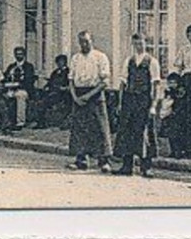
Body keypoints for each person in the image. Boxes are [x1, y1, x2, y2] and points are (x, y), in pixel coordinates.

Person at [113, 33, 163, 176]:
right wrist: (120, 103)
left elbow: (156, 85)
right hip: (129, 100)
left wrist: (153, 105)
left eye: (141, 43)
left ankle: (146, 167)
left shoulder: (152, 62)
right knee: (126, 131)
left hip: (144, 100)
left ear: (146, 43)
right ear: (133, 45)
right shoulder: (128, 61)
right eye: (136, 44)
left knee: (144, 132)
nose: (139, 46)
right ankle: (126, 166)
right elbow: (123, 83)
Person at [67, 31, 112, 171]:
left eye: (86, 41)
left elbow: (105, 82)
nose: (84, 45)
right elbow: (71, 79)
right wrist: (75, 97)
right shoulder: (75, 58)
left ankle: (103, 161)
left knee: (99, 127)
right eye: (81, 42)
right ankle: (81, 159)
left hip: (95, 94)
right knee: (80, 127)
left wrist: (89, 95)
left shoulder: (100, 57)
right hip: (79, 93)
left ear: (91, 40)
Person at [1, 46, 37, 129]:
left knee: (20, 95)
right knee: (4, 96)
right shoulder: (11, 66)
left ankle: (20, 121)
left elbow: (28, 81)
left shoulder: (28, 66)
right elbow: (6, 77)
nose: (18, 56)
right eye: (17, 54)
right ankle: (6, 121)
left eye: (20, 54)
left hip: (24, 89)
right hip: (11, 89)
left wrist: (16, 85)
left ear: (24, 55)